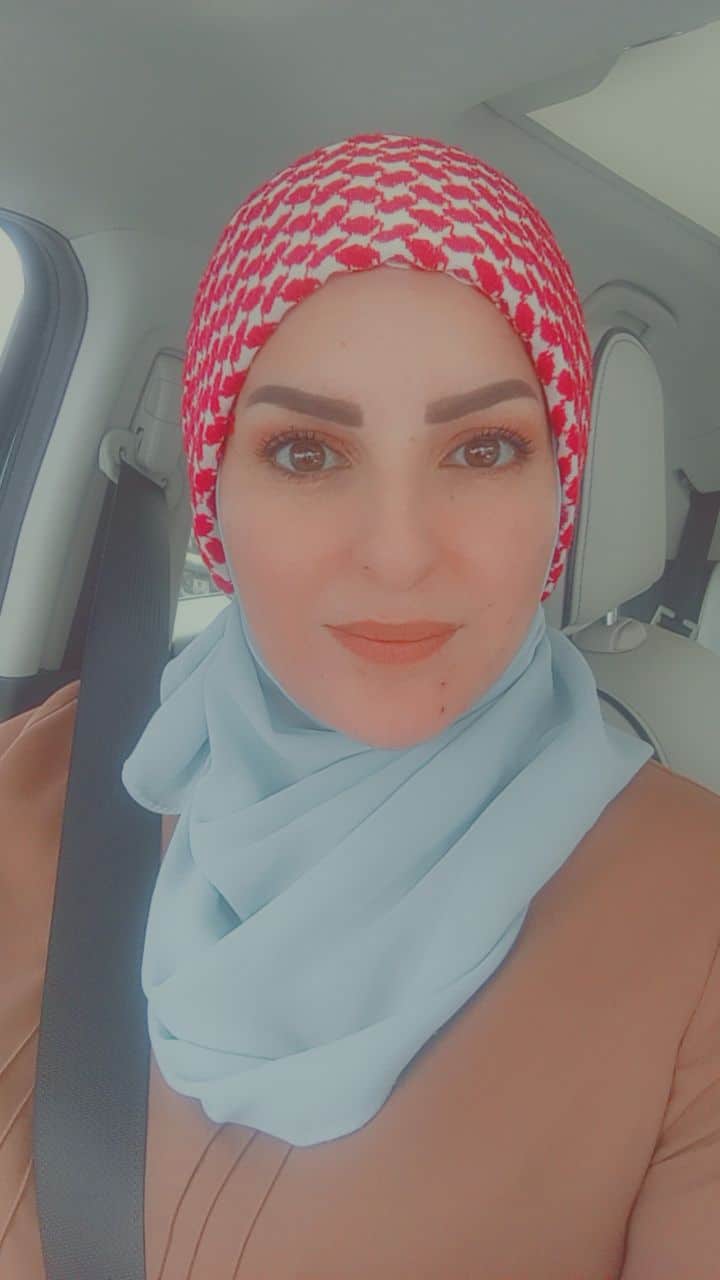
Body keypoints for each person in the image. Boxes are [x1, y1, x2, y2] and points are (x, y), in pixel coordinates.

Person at [1, 131, 719, 1278]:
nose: (397, 553)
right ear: (214, 495)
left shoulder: (698, 921)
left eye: (482, 449)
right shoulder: (40, 783)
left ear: (561, 492)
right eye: (305, 452)